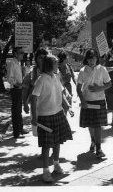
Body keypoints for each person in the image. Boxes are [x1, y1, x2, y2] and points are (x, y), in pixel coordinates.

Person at [31, 54, 73, 183]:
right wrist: (34, 117)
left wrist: (68, 106)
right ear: (50, 65)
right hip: (45, 116)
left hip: (58, 113)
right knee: (46, 145)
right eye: (56, 62)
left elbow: (61, 92)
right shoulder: (41, 79)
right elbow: (33, 99)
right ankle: (45, 171)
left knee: (57, 142)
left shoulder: (56, 77)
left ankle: (56, 164)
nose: (58, 64)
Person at [77, 49, 111, 158]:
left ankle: (99, 148)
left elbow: (109, 84)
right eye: (90, 58)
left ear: (97, 58)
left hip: (99, 100)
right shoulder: (83, 71)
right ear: (86, 59)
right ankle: (93, 140)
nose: (92, 60)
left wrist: (99, 88)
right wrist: (82, 100)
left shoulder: (102, 69)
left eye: (94, 58)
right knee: (90, 125)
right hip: (87, 101)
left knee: (97, 125)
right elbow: (78, 88)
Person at [7, 47, 28, 138]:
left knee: (19, 110)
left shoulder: (18, 63)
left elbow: (20, 77)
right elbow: (9, 78)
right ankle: (16, 132)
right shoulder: (12, 63)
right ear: (15, 53)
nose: (23, 54)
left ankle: (20, 129)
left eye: (23, 52)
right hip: (15, 89)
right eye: (21, 53)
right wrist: (18, 84)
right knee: (16, 111)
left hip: (19, 89)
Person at [22, 48, 48, 115]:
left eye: (44, 57)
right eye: (40, 57)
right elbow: (25, 90)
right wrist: (25, 104)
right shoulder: (32, 73)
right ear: (36, 59)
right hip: (36, 106)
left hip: (50, 106)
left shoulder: (51, 72)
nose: (42, 60)